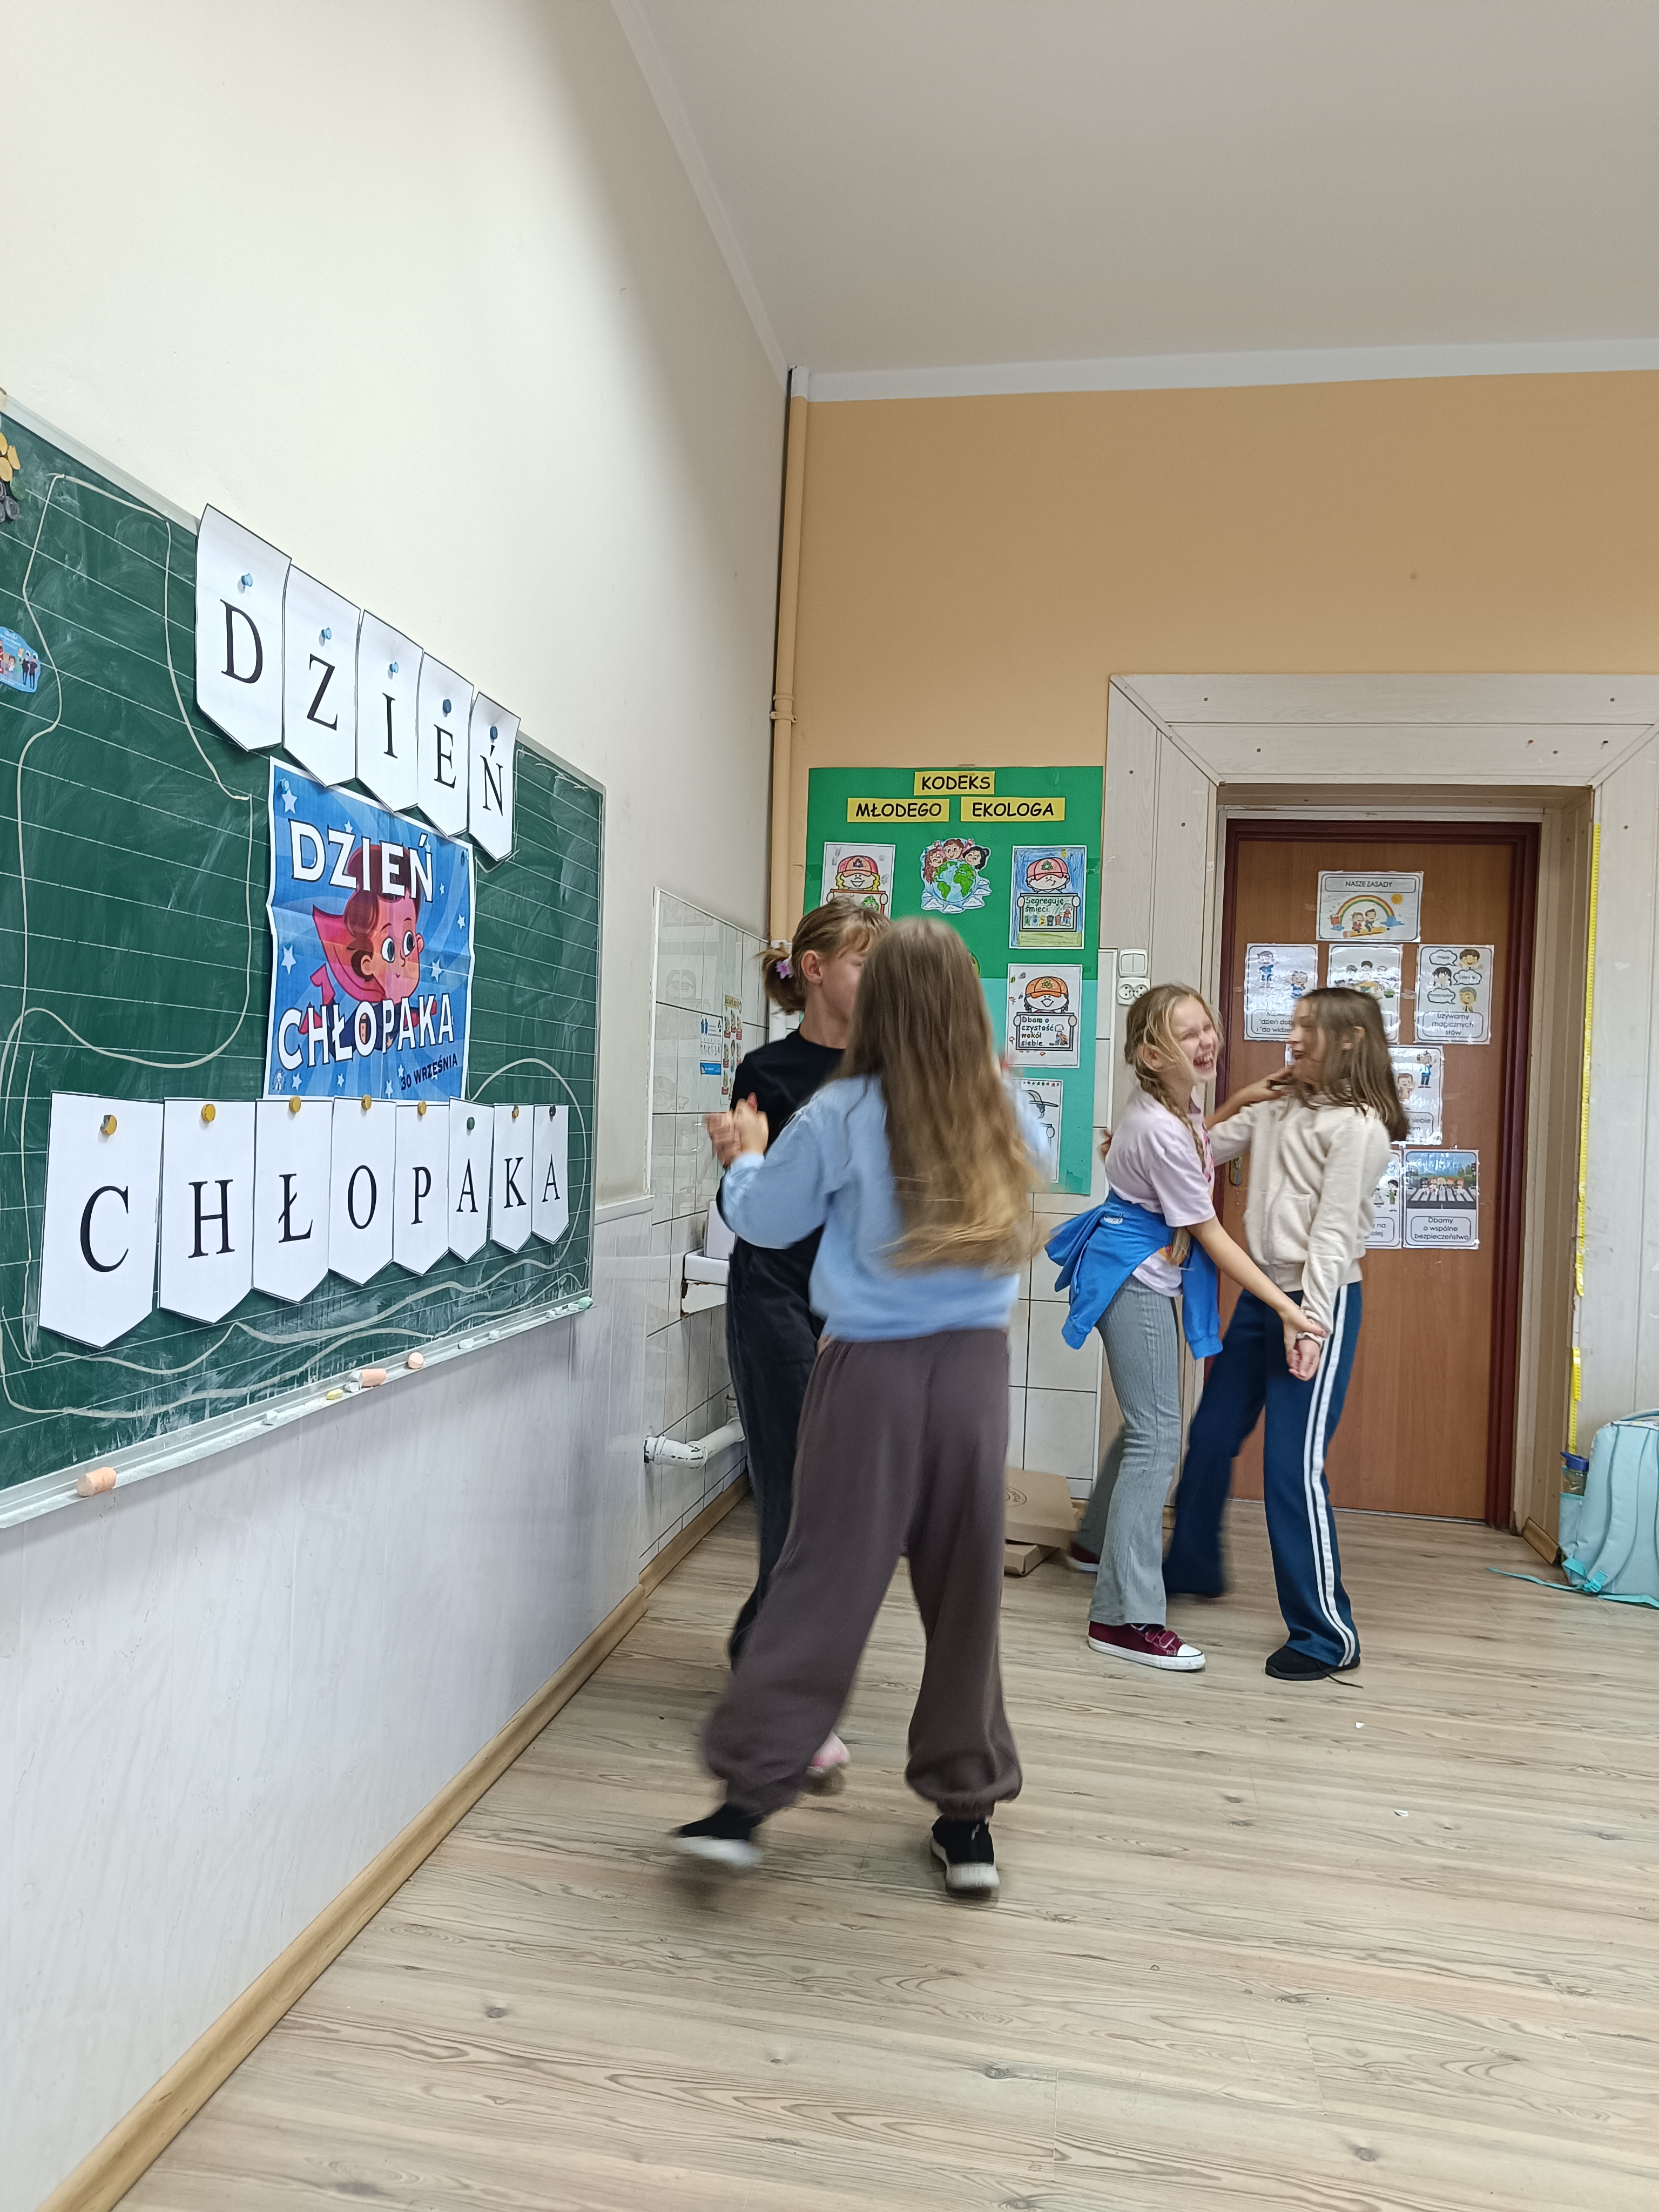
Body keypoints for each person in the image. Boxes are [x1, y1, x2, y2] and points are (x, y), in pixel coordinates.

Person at [675, 919, 1044, 1897]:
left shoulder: (839, 1110)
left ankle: (745, 1804)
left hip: (868, 1369)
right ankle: (966, 1822)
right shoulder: (1004, 1100)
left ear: (878, 1005)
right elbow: (1035, 1168)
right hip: (972, 1376)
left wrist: (746, 1156)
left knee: (823, 1575)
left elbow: (764, 1222)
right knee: (966, 1586)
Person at [1049, 986, 1325, 1674]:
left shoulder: (1181, 1102)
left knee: (1148, 1426)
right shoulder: (1158, 1127)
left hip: (1141, 1267)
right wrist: (1287, 1306)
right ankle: (1124, 1618)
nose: (1206, 1042)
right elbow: (1211, 1233)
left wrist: (1241, 1099)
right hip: (1132, 1277)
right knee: (1157, 1437)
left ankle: (1094, 1545)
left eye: (1208, 1027)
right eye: (1187, 1034)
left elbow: (1199, 1144)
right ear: (1151, 1054)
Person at [1162, 987, 1408, 1679]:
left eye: (1307, 1026)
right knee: (1211, 1433)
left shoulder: (1359, 1127)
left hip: (1318, 1301)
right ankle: (1192, 1566)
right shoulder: (1278, 1106)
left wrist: (1311, 1325)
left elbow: (1332, 1236)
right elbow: (1197, 1152)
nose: (1293, 1036)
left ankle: (1327, 1635)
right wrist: (1240, 1099)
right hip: (1263, 1298)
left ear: (1349, 1039)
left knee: (1291, 1467)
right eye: (1293, 1022)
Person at [704, 901, 886, 1788]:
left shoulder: (892, 1067)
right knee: (794, 1493)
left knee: (840, 1503)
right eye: (861, 962)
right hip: (774, 1298)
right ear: (814, 969)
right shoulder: (766, 1070)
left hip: (855, 1306)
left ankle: (761, 1644)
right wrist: (743, 1161)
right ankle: (788, 1699)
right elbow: (748, 1208)